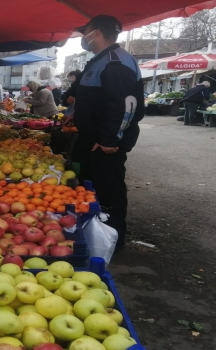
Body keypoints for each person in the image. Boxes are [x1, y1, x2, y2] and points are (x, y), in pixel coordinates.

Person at [70, 15, 145, 251]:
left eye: (86, 31)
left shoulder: (116, 62)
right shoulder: (99, 61)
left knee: (108, 189)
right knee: (92, 189)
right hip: (92, 140)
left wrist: (109, 140)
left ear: (97, 33)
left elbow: (125, 104)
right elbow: (97, 98)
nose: (83, 37)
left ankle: (112, 238)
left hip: (105, 144)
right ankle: (93, 235)